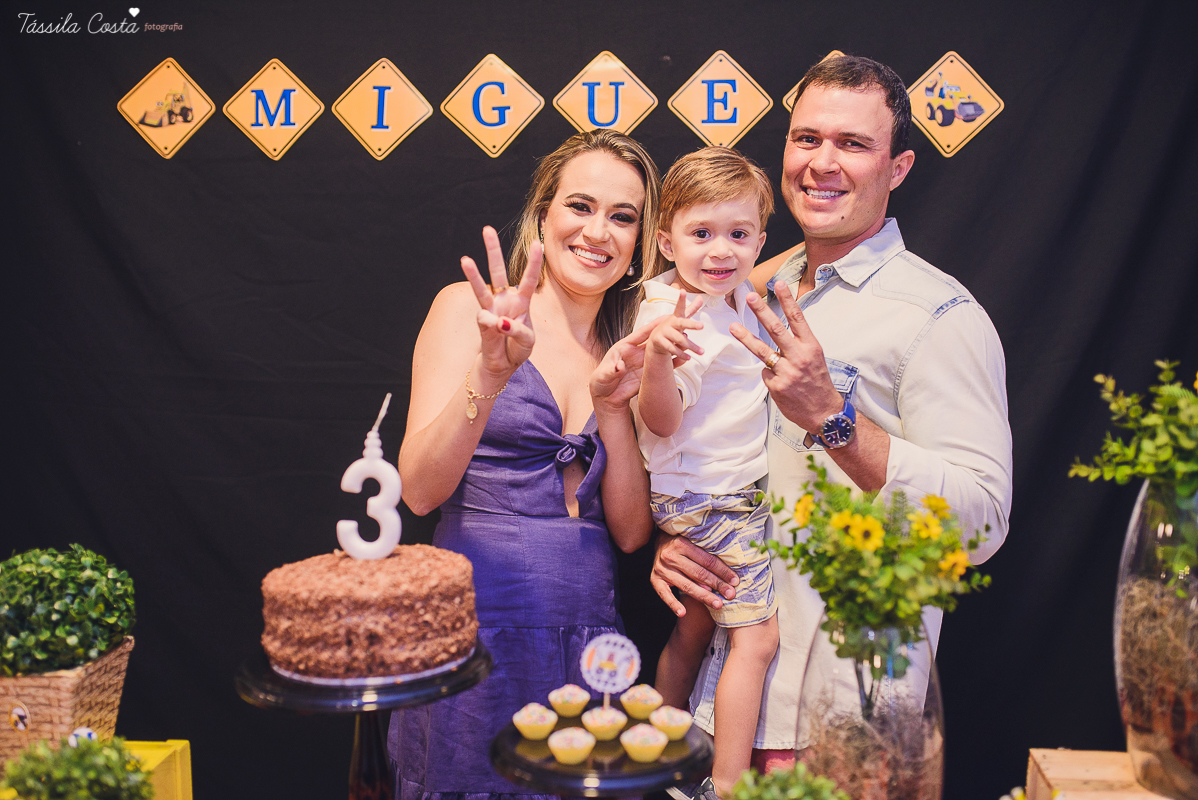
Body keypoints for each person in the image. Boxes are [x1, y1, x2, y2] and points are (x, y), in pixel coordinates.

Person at [651, 55, 1014, 776]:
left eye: (852, 144)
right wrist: (682, 532)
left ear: (899, 166)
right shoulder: (744, 285)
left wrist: (833, 417)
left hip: (841, 722)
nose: (822, 163)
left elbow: (982, 525)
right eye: (806, 138)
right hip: (721, 703)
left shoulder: (938, 316)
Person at [390, 129, 662, 800]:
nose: (598, 231)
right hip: (473, 633)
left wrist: (611, 409)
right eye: (580, 205)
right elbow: (421, 493)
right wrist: (489, 369)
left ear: (638, 243)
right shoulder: (469, 312)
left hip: (591, 638)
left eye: (623, 216)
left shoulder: (632, 347)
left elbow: (629, 533)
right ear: (543, 214)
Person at [633, 147, 778, 798]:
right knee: (757, 639)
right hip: (714, 499)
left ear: (760, 240)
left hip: (694, 498)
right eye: (701, 234)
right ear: (664, 239)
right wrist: (657, 361)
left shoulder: (708, 292)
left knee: (694, 624)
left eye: (738, 235)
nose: (721, 251)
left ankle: (656, 758)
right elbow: (661, 419)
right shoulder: (678, 319)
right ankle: (726, 785)